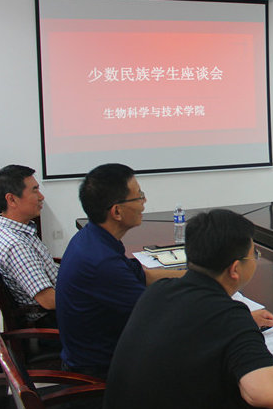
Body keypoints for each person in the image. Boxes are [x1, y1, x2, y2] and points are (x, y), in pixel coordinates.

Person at [100, 209, 273, 409]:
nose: (255, 259)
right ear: (235, 269)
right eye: (254, 254)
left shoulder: (159, 291)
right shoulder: (229, 315)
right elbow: (267, 394)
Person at [56, 163, 184, 381]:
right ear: (116, 211)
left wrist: (199, 275)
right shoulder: (102, 263)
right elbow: (160, 315)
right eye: (139, 196)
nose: (144, 202)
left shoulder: (93, 238)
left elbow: (144, 276)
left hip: (102, 356)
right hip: (101, 377)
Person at [0, 165, 58, 326]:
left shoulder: (20, 230)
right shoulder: (15, 245)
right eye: (34, 190)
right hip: (53, 321)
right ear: (12, 199)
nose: (41, 197)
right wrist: (89, 296)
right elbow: (48, 300)